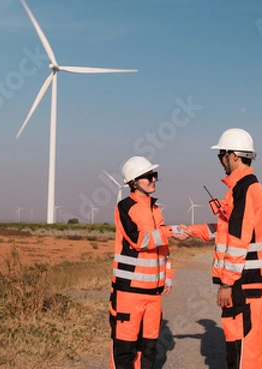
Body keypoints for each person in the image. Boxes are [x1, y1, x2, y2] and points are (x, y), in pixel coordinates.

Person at [179, 128, 262, 369]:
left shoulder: (244, 190)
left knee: (244, 355)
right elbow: (225, 230)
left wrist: (226, 283)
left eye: (221, 155)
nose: (220, 161)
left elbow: (237, 240)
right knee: (240, 350)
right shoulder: (245, 189)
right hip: (246, 283)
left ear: (234, 156)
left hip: (242, 283)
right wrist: (190, 230)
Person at [110, 156, 185, 369]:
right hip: (129, 291)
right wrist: (169, 231)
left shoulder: (155, 208)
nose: (153, 180)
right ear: (133, 182)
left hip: (153, 292)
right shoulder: (125, 207)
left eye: (155, 176)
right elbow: (139, 240)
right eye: (148, 176)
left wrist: (167, 278)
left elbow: (163, 248)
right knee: (125, 348)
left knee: (149, 347)